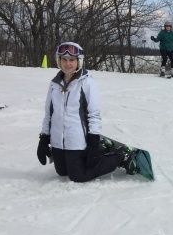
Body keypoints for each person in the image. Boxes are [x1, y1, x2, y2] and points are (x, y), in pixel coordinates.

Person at [37, 42, 140, 182]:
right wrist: (44, 139)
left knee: (78, 176)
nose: (68, 63)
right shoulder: (54, 84)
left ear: (78, 61)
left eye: (72, 60)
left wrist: (93, 142)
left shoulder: (86, 83)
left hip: (76, 140)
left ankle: (122, 156)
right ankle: (103, 149)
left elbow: (94, 114)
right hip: (58, 141)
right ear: (58, 60)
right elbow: (49, 114)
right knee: (62, 172)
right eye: (64, 59)